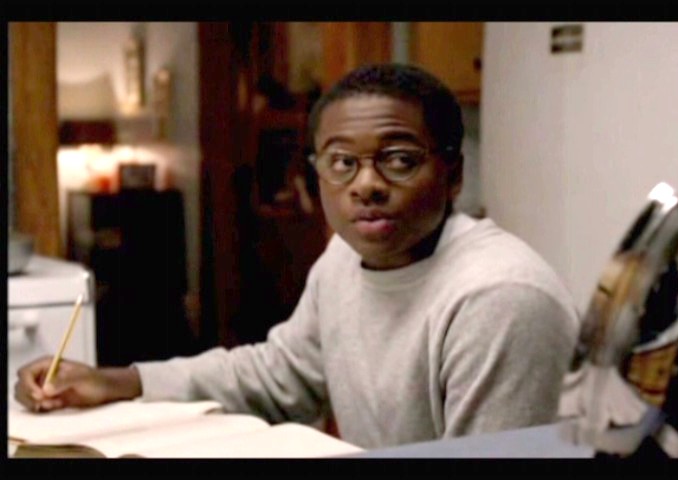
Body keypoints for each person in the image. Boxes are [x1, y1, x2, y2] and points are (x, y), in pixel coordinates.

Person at [15, 63, 580, 450]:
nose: (366, 185)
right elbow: (279, 374)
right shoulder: (343, 260)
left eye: (399, 160)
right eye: (342, 163)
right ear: (317, 173)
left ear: (452, 175)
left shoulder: (499, 297)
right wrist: (117, 382)